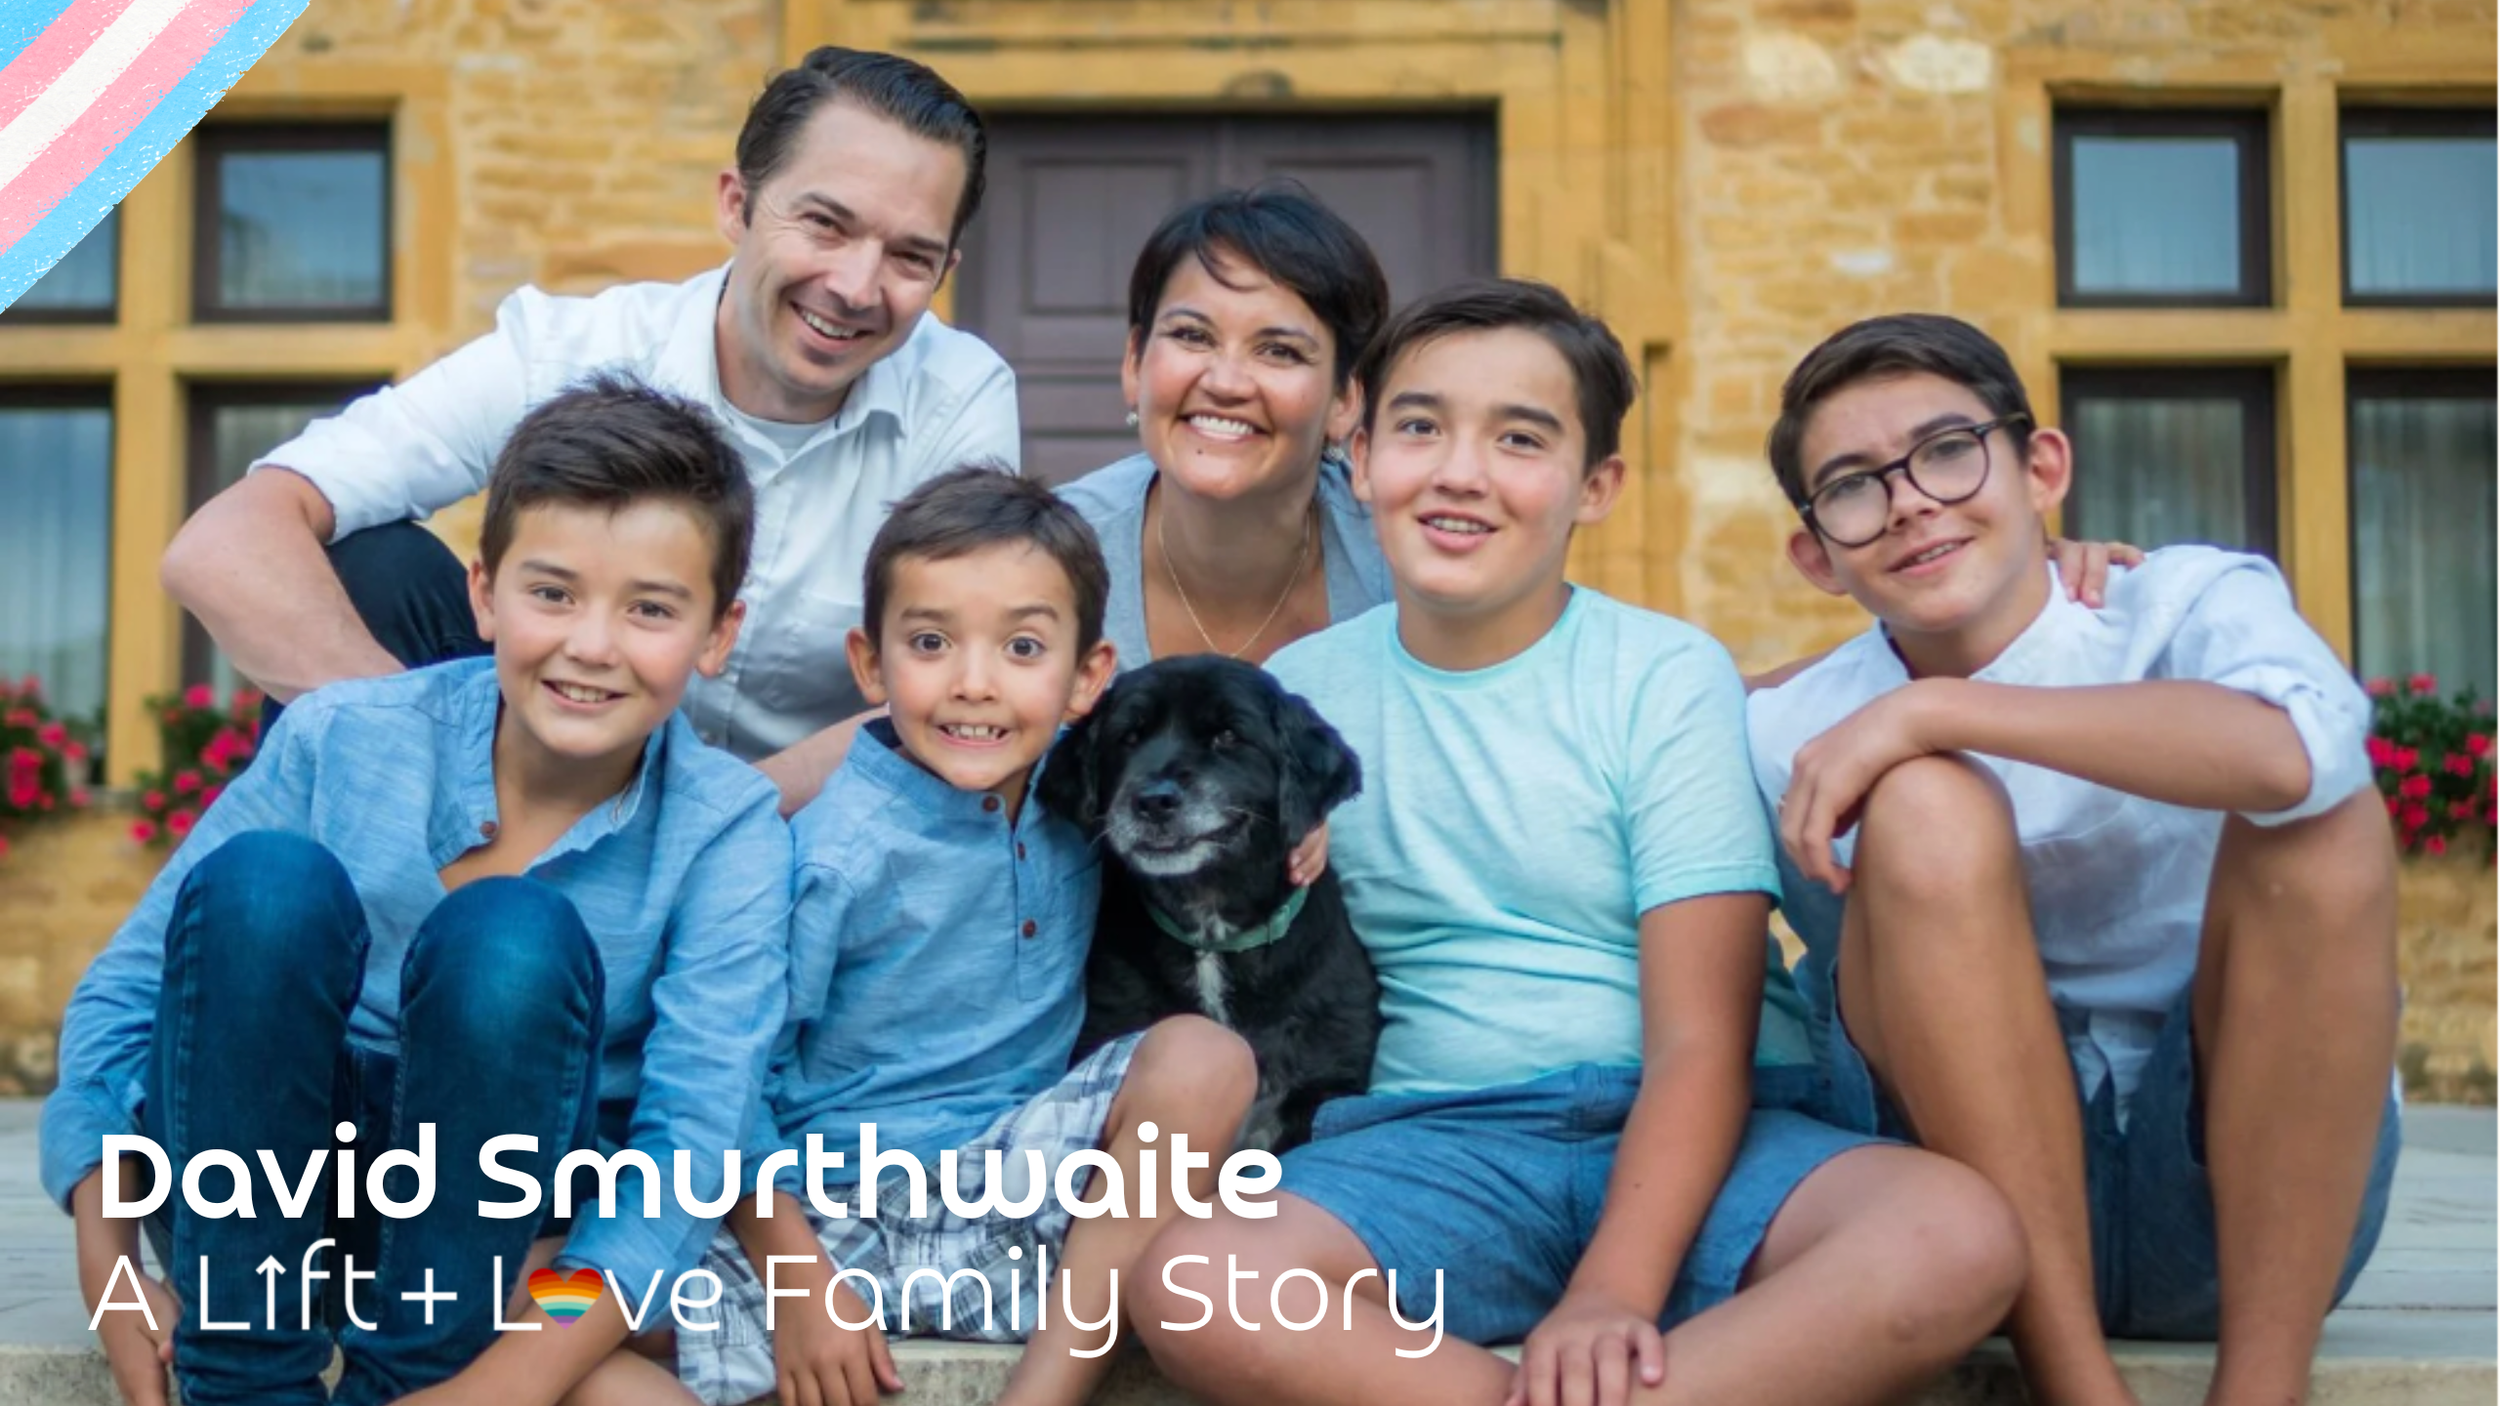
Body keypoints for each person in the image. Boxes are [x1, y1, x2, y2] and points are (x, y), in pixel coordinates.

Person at [1132, 281, 2030, 1406]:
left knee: (1955, 1234)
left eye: (1519, 437)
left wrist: (1612, 1287)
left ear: (1594, 486)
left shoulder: (1661, 674)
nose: (1460, 470)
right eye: (1420, 427)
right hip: (1430, 1143)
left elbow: (1700, 1039)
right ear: (1356, 459)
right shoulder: (1294, 698)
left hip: (1712, 1129)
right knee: (1193, 1281)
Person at [45, 377, 794, 1406]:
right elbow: (121, 1001)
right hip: (249, 1207)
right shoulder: (341, 736)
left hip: (492, 1252)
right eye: (553, 592)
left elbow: (684, 1160)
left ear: (718, 632)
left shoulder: (726, 830)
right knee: (265, 885)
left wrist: (511, 1378)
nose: (591, 643)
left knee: (510, 935)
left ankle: (415, 1373)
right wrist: (113, 1266)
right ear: (484, 593)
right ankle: (242, 1384)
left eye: (651, 609)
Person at [1747, 313, 2400, 1406]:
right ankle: (2074, 1386)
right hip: (1970, 1217)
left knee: (2327, 817)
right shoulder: (1783, 726)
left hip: (2251, 1206)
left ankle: (2263, 1390)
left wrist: (1940, 705)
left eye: (1948, 450)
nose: (1911, 499)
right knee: (1920, 803)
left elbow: (2303, 749)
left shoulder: (2184, 601)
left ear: (2040, 465)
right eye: (1855, 485)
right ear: (1818, 553)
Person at [159, 46, 1011, 811]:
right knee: (377, 565)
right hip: (518, 790)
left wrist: (691, 833)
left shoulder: (958, 397)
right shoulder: (571, 351)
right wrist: (419, 761)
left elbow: (953, 691)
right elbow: (225, 544)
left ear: (945, 270)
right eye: (825, 224)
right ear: (736, 205)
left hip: (779, 833)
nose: (857, 287)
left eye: (909, 257)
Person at [564, 468, 1258, 1406]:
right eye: (930, 643)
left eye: (1022, 647)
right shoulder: (829, 857)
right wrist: (799, 1284)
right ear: (870, 664)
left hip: (1021, 1197)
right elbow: (727, 1088)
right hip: (824, 1218)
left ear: (1088, 676)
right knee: (560, 1330)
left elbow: (1229, 743)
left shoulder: (1083, 789)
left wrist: (1298, 824)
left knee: (1204, 1060)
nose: (975, 685)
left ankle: (1041, 1395)